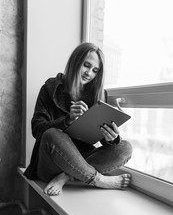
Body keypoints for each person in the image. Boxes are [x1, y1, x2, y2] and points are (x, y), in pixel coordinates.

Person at [24, 42, 132, 196]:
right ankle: (98, 180)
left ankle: (66, 177)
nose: (89, 73)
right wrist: (67, 120)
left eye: (95, 70)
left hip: (80, 161)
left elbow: (101, 140)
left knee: (125, 147)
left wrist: (111, 138)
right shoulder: (50, 88)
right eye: (86, 65)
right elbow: (37, 130)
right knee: (52, 133)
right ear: (75, 61)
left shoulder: (95, 95)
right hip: (50, 163)